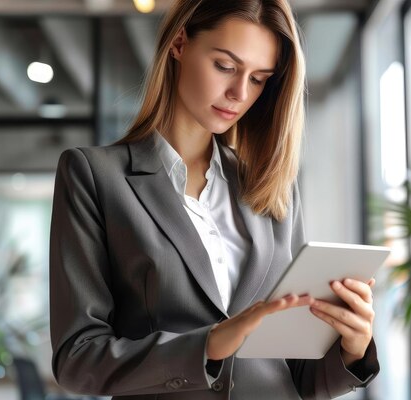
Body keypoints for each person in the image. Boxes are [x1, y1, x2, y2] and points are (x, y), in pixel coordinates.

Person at [49, 0, 380, 398]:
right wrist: (208, 346)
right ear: (179, 43)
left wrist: (352, 348)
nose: (239, 93)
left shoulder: (270, 186)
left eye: (259, 78)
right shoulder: (95, 177)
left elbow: (300, 377)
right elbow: (77, 359)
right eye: (225, 66)